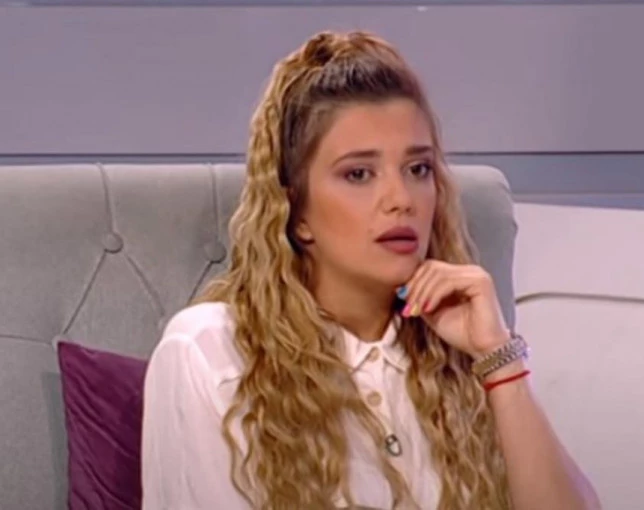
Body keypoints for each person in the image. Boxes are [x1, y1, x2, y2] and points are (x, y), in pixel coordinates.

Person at [141, 30, 600, 510]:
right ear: (295, 210)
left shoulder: (458, 349)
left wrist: (499, 361)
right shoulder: (210, 352)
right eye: (358, 174)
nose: (401, 200)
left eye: (418, 170)